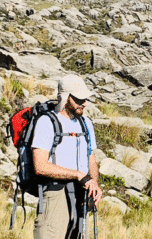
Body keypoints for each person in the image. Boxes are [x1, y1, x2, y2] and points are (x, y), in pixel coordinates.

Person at [32, 74, 102, 239]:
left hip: (81, 196)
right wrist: (78, 175)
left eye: (85, 98)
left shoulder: (86, 123)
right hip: (55, 194)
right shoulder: (46, 122)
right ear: (65, 98)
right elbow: (40, 166)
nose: (84, 103)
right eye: (79, 99)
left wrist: (94, 185)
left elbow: (90, 157)